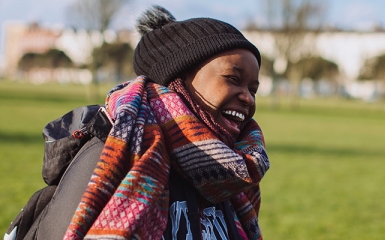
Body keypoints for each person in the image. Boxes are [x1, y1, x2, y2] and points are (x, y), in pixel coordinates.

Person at [63, 5, 270, 240]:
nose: (247, 97)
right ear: (178, 80)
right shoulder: (117, 155)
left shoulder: (231, 178)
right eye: (233, 79)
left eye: (253, 89)